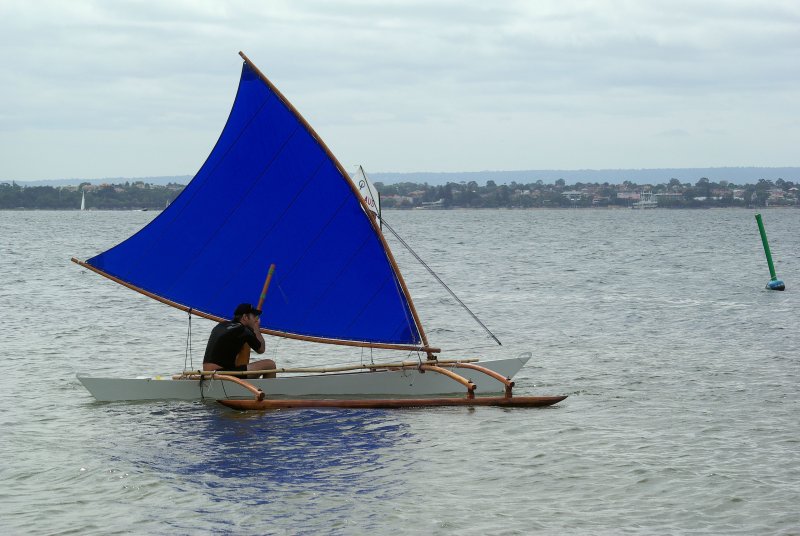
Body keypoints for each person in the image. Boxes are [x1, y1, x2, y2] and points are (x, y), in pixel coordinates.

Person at [203, 303, 276, 378]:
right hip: (221, 373)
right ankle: (269, 389)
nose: (256, 319)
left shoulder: (221, 324)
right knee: (270, 365)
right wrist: (256, 328)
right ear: (245, 317)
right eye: (254, 316)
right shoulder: (244, 330)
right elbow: (261, 349)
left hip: (207, 372)